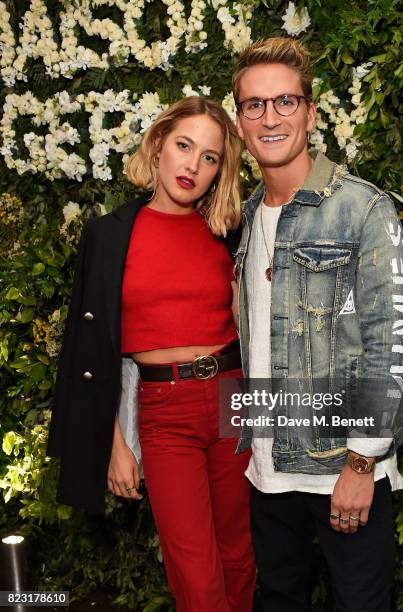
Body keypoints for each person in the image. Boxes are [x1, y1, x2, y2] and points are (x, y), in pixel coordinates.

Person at [47, 96, 256, 612]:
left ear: (219, 170)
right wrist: (117, 444)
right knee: (196, 572)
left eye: (209, 157)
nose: (193, 165)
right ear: (159, 144)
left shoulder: (228, 232)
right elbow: (88, 350)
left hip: (235, 399)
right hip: (165, 413)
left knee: (241, 558)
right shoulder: (110, 234)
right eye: (184, 146)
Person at [231, 38, 403, 612]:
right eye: (254, 105)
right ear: (239, 122)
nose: (270, 117)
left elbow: (389, 345)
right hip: (267, 471)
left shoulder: (362, 208)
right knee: (280, 598)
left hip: (340, 470)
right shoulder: (247, 216)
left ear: (311, 112)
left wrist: (363, 462)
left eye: (285, 101)